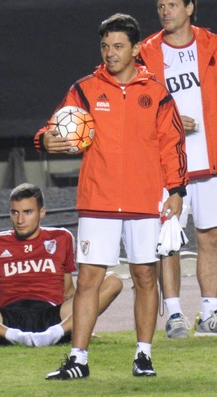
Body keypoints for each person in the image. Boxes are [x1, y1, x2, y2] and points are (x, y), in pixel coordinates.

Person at [34, 13, 188, 379]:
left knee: (145, 278)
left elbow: (173, 146)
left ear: (136, 49)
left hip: (144, 200)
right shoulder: (85, 88)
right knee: (88, 280)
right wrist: (44, 138)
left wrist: (178, 190)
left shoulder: (157, 93)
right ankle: (78, 360)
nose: (110, 53)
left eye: (118, 46)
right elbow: (57, 124)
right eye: (105, 46)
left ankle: (144, 355)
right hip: (97, 200)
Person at [0, 183, 123, 347]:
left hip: (52, 316)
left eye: (27, 212)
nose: (20, 220)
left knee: (113, 281)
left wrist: (82, 324)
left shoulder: (62, 238)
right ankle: (13, 336)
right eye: (15, 212)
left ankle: (56, 333)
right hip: (7, 318)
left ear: (42, 212)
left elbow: (69, 292)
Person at [139, 0, 217, 338]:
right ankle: (173, 314)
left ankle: (211, 313)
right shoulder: (145, 52)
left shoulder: (212, 46)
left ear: (189, 7)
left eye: (172, 4)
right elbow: (135, 105)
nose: (164, 11)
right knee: (167, 241)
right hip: (166, 163)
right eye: (160, 5)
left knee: (210, 238)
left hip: (209, 161)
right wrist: (166, 123)